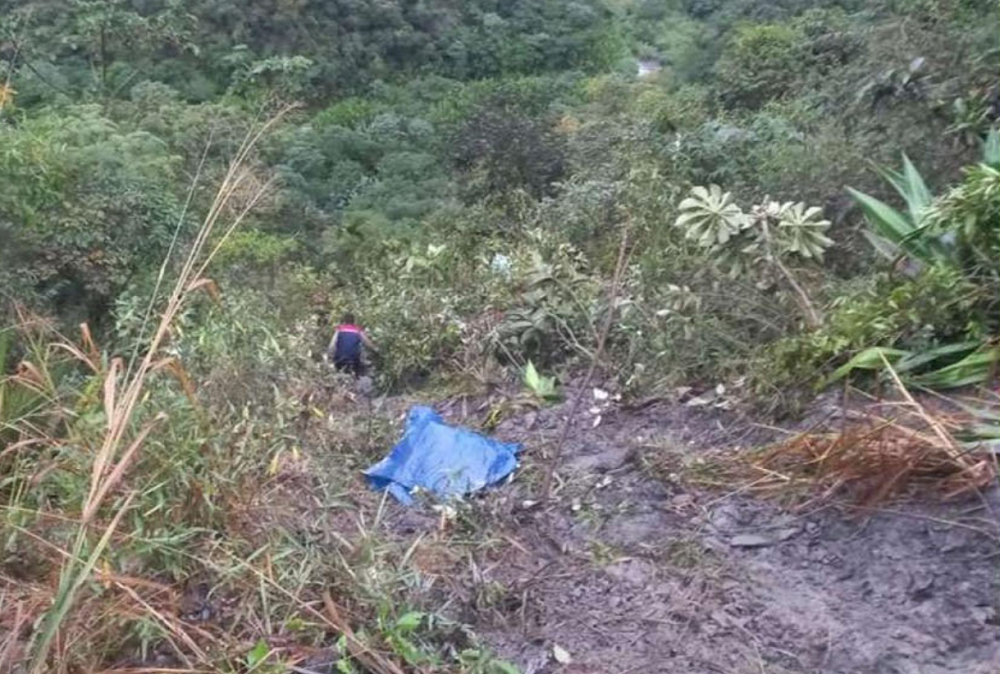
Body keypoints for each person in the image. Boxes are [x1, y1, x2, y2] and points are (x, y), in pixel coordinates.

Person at [327, 312, 377, 376]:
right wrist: (376, 349)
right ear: (354, 321)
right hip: (354, 359)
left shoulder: (339, 329)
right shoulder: (358, 330)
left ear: (344, 321)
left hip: (339, 359)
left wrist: (330, 357)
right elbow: (367, 343)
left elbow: (332, 345)